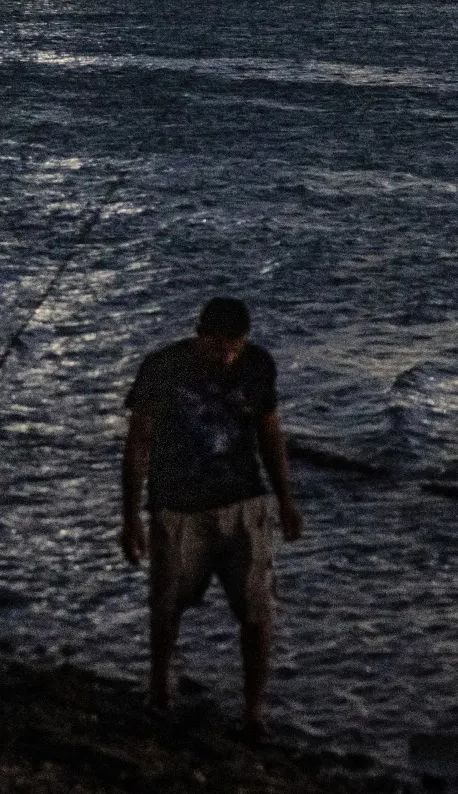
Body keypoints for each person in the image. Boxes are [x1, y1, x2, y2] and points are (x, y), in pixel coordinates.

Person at [120, 297, 302, 738]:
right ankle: (159, 687)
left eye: (235, 347)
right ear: (200, 334)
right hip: (177, 506)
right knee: (167, 606)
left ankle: (254, 710)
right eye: (220, 347)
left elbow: (270, 431)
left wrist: (286, 499)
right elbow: (139, 443)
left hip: (244, 501)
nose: (227, 357)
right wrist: (131, 517)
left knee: (257, 609)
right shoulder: (162, 367)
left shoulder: (258, 364)